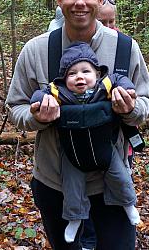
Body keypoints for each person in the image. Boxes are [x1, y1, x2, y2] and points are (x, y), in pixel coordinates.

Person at [6, 0, 149, 250]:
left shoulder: (125, 47)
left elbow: (147, 102)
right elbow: (15, 107)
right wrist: (37, 117)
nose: (80, 3)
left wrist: (131, 109)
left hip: (110, 184)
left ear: (100, 0)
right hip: (55, 181)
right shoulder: (36, 50)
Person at [30, 41, 140, 242]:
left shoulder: (106, 86)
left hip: (105, 148)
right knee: (72, 187)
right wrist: (40, 104)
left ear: (97, 74)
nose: (79, 76)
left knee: (120, 176)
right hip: (71, 152)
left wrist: (127, 92)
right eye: (72, 74)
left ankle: (128, 204)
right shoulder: (59, 92)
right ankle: (74, 218)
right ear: (64, 79)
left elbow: (122, 80)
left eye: (85, 71)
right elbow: (39, 95)